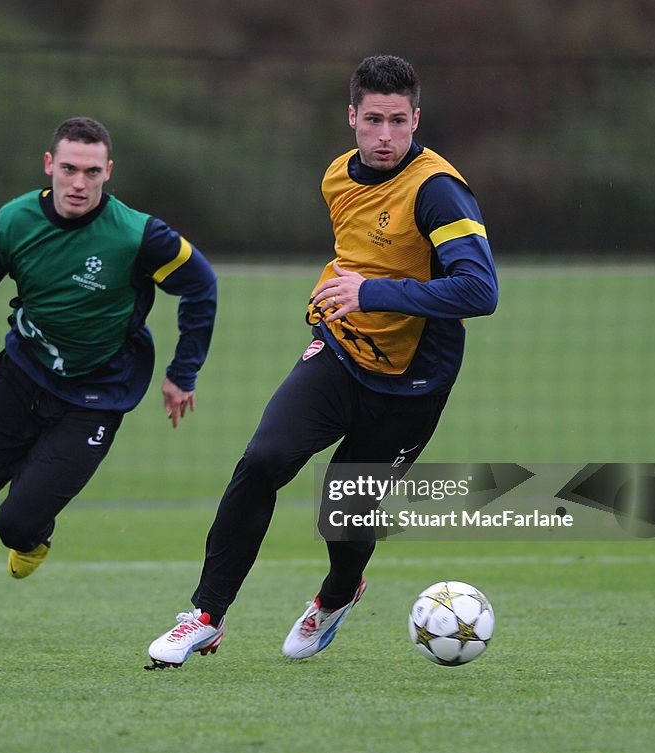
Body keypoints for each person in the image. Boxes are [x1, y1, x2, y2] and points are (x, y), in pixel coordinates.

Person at [147, 55, 498, 667]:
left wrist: (371, 292)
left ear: (416, 119)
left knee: (343, 514)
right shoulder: (338, 176)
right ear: (352, 119)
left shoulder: (438, 192)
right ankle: (203, 616)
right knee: (263, 460)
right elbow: (357, 254)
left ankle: (337, 595)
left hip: (412, 384)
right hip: (339, 355)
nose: (385, 136)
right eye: (372, 121)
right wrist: (334, 293)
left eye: (397, 121)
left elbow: (479, 291)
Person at [0, 116, 217, 643]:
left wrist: (183, 373)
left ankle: (33, 535)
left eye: (91, 172)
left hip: (99, 393)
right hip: (21, 373)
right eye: (68, 168)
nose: (78, 182)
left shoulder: (138, 234)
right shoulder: (13, 220)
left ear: (108, 172)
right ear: (49, 165)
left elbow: (201, 285)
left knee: (16, 524)